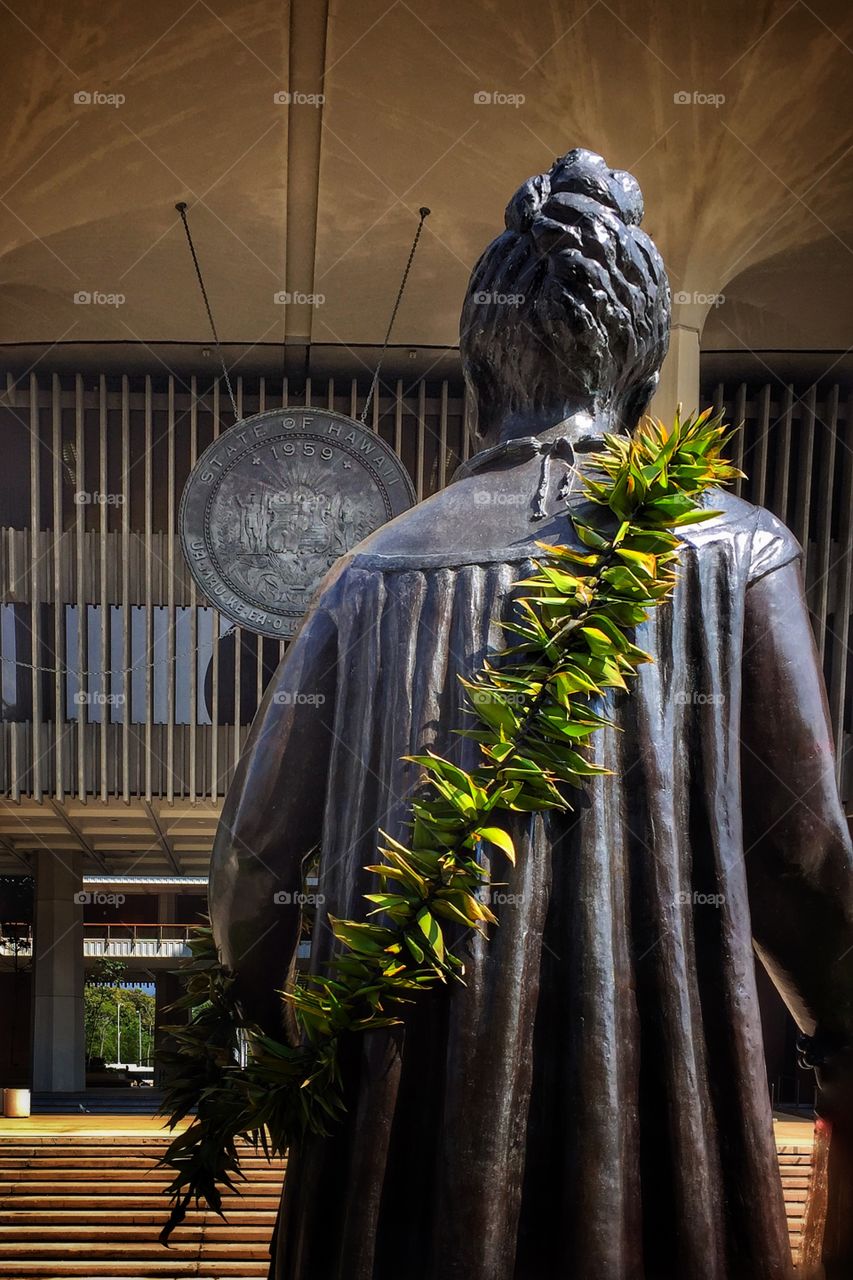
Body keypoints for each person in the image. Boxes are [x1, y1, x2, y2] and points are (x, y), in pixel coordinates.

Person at [209, 149, 853, 1280]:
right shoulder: (735, 554)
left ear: (480, 362)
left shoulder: (369, 574)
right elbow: (799, 862)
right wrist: (836, 1038)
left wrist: (298, 1041)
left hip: (401, 1129)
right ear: (643, 363)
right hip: (655, 1111)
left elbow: (252, 871)